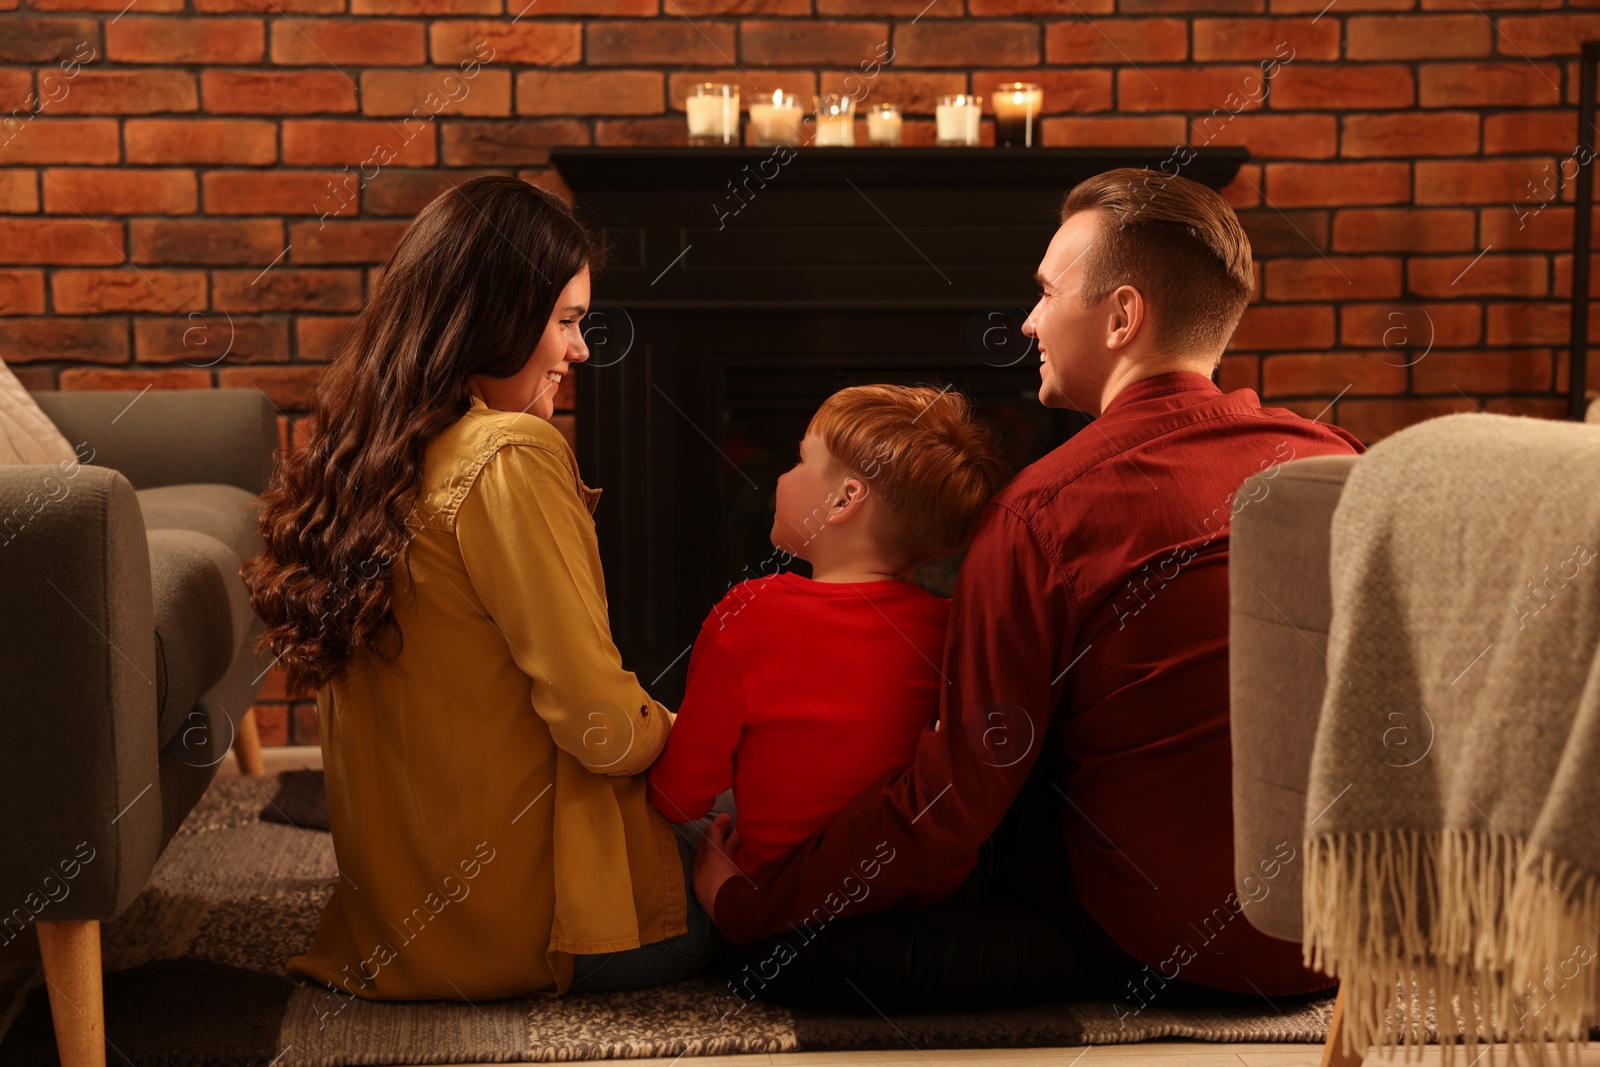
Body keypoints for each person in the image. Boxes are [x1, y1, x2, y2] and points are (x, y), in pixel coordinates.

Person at [690, 167, 1366, 1013]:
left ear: (1122, 316)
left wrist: (758, 901)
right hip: (1334, 942)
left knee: (786, 954)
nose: (1029, 320)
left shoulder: (1043, 511)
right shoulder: (1343, 462)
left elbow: (956, 799)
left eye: (1047, 292)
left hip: (1154, 948)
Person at [241, 176, 717, 1007]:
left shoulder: (365, 456)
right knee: (783, 830)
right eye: (567, 322)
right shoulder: (509, 454)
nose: (581, 351)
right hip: (539, 927)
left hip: (396, 932)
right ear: (494, 317)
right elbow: (601, 725)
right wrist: (697, 739)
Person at [647, 385, 1006, 905]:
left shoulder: (748, 615)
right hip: (929, 892)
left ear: (844, 500)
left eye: (799, 460)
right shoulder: (953, 627)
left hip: (779, 892)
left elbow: (677, 797)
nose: (782, 475)